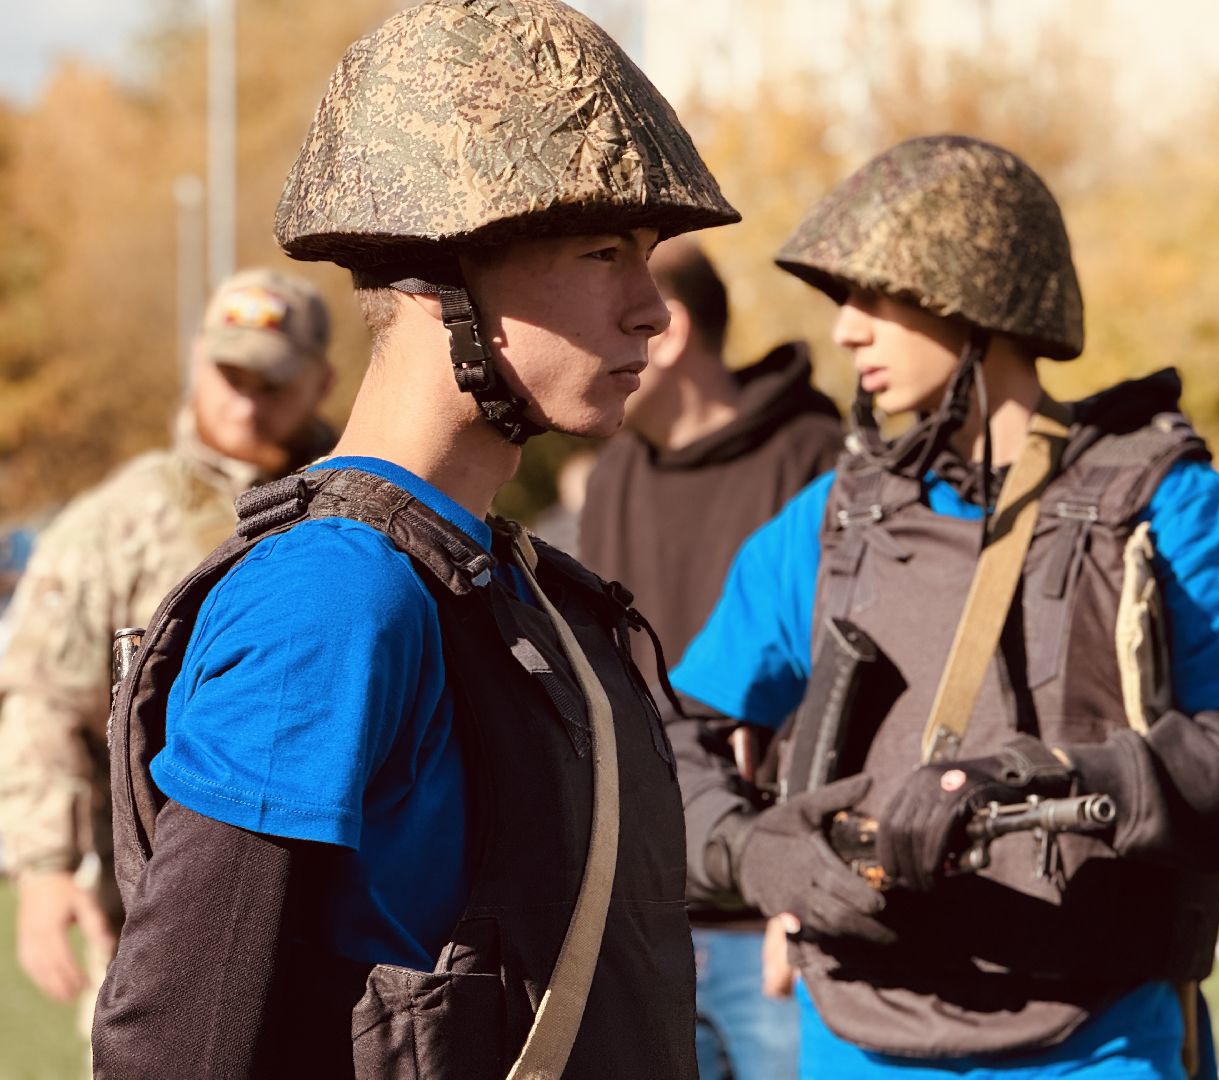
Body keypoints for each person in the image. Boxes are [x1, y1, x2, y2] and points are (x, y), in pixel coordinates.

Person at [91, 2, 738, 1077]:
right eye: (603, 252)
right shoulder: (331, 598)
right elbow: (177, 1043)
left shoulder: (504, 580)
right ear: (447, 277)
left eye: (649, 257)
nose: (652, 311)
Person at [669, 135, 1219, 1079]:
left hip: (1098, 1040)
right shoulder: (828, 522)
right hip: (853, 1038)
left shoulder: (1163, 506)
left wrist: (1052, 777)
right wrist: (752, 853)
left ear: (978, 297)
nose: (847, 331)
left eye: (876, 296)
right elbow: (669, 737)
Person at [0, 267, 334, 1044]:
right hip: (154, 919)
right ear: (195, 361)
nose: (247, 403)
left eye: (273, 383)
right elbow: (44, 697)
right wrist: (46, 867)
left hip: (338, 920)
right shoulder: (120, 521)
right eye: (231, 376)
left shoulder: (356, 508)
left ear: (321, 382)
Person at [580, 237, 842, 1079]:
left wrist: (801, 889)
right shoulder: (613, 474)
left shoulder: (818, 459)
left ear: (672, 328)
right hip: (640, 917)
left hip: (772, 920)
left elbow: (850, 692)